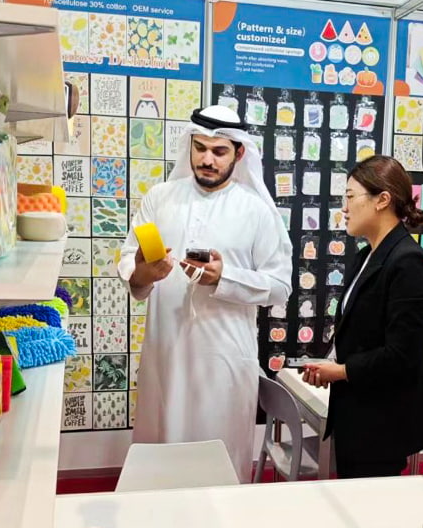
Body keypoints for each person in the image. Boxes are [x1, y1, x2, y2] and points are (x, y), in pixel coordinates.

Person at [117, 105, 293, 483]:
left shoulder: (257, 211)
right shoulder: (160, 198)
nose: (207, 160)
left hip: (224, 363)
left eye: (219, 151)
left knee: (219, 468)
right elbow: (131, 264)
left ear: (239, 153)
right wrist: (145, 274)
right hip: (166, 358)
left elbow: (280, 286)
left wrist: (224, 278)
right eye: (200, 148)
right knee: (160, 466)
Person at [302, 155, 423, 479]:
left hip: (382, 419)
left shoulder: (409, 262)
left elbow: (402, 355)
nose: (344, 208)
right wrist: (333, 366)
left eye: (350, 196)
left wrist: (341, 371)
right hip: (357, 411)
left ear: (382, 200)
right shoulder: (367, 255)